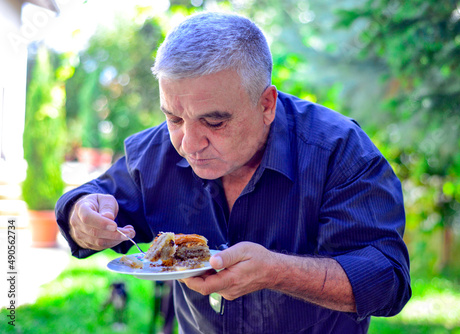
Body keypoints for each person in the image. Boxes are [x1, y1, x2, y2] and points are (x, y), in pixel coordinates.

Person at [55, 11, 411, 334]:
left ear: (266, 104)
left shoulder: (339, 151)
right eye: (174, 118)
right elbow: (88, 201)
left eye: (214, 121)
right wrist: (81, 215)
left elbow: (387, 281)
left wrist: (278, 271)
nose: (190, 144)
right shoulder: (158, 151)